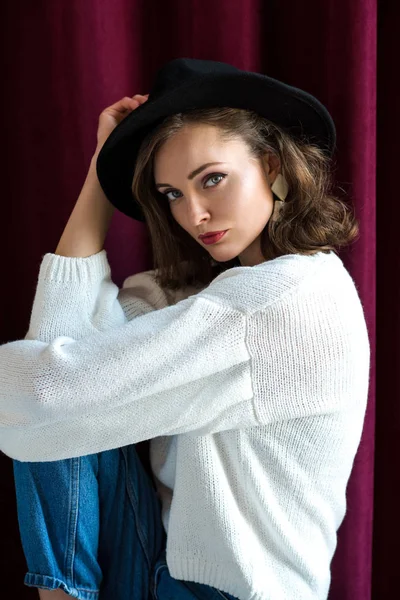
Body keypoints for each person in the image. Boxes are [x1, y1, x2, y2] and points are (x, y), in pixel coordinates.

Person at [0, 58, 370, 600]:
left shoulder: (277, 301)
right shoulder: (212, 291)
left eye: (212, 180)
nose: (193, 214)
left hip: (229, 592)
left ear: (272, 167)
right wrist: (102, 169)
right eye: (172, 194)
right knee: (51, 391)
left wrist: (36, 390)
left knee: (44, 399)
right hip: (163, 565)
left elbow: (37, 393)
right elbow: (61, 347)